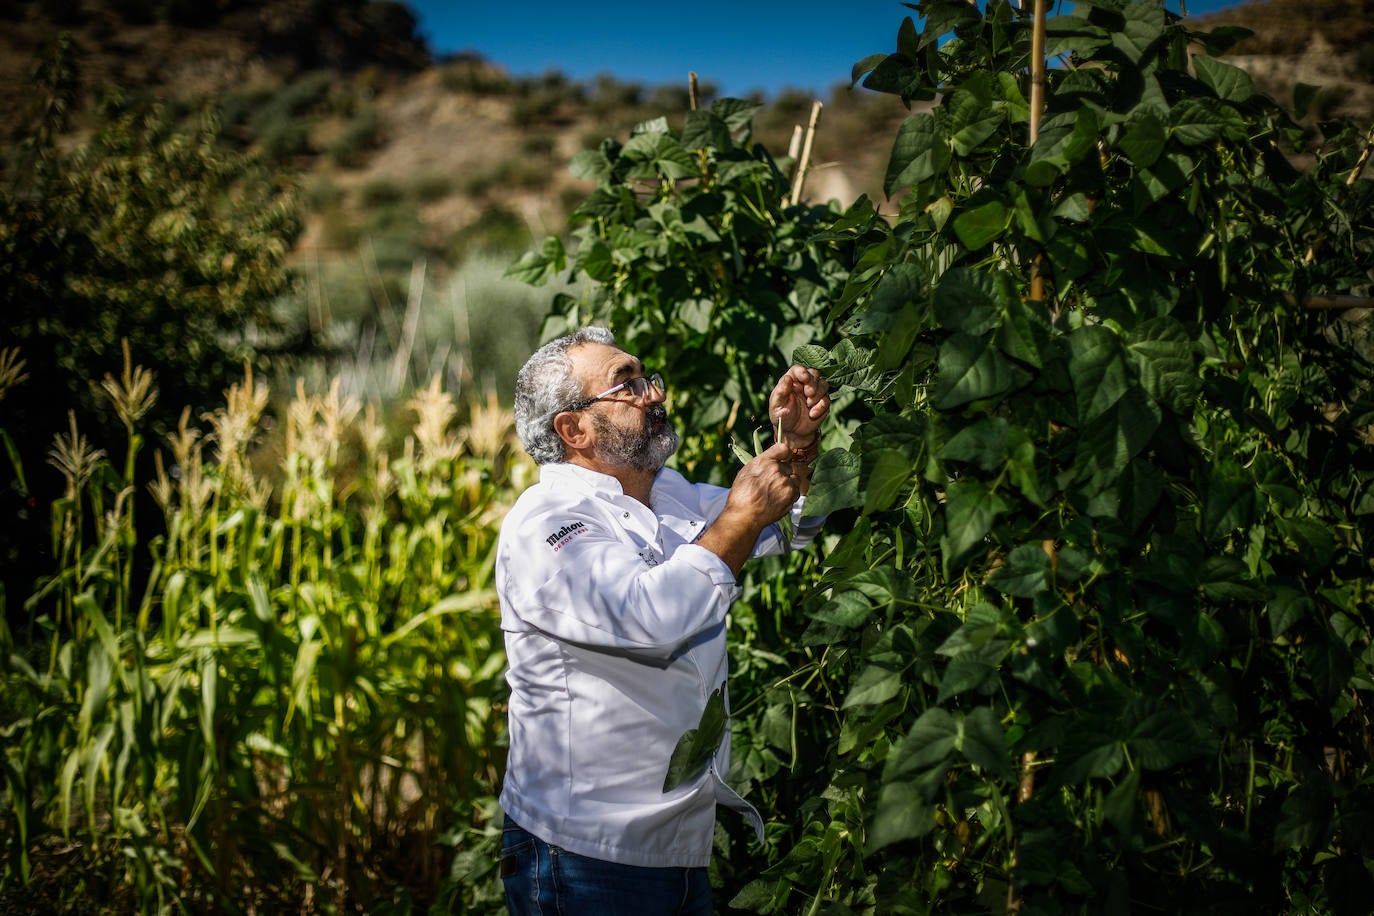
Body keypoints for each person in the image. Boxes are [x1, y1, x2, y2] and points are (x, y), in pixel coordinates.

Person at [495, 326, 830, 915]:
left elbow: (789, 525)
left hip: (677, 844)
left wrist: (796, 445)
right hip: (584, 853)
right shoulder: (546, 522)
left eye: (647, 378)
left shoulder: (666, 493)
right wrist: (741, 515)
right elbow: (650, 617)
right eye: (627, 385)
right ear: (573, 430)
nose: (653, 395)